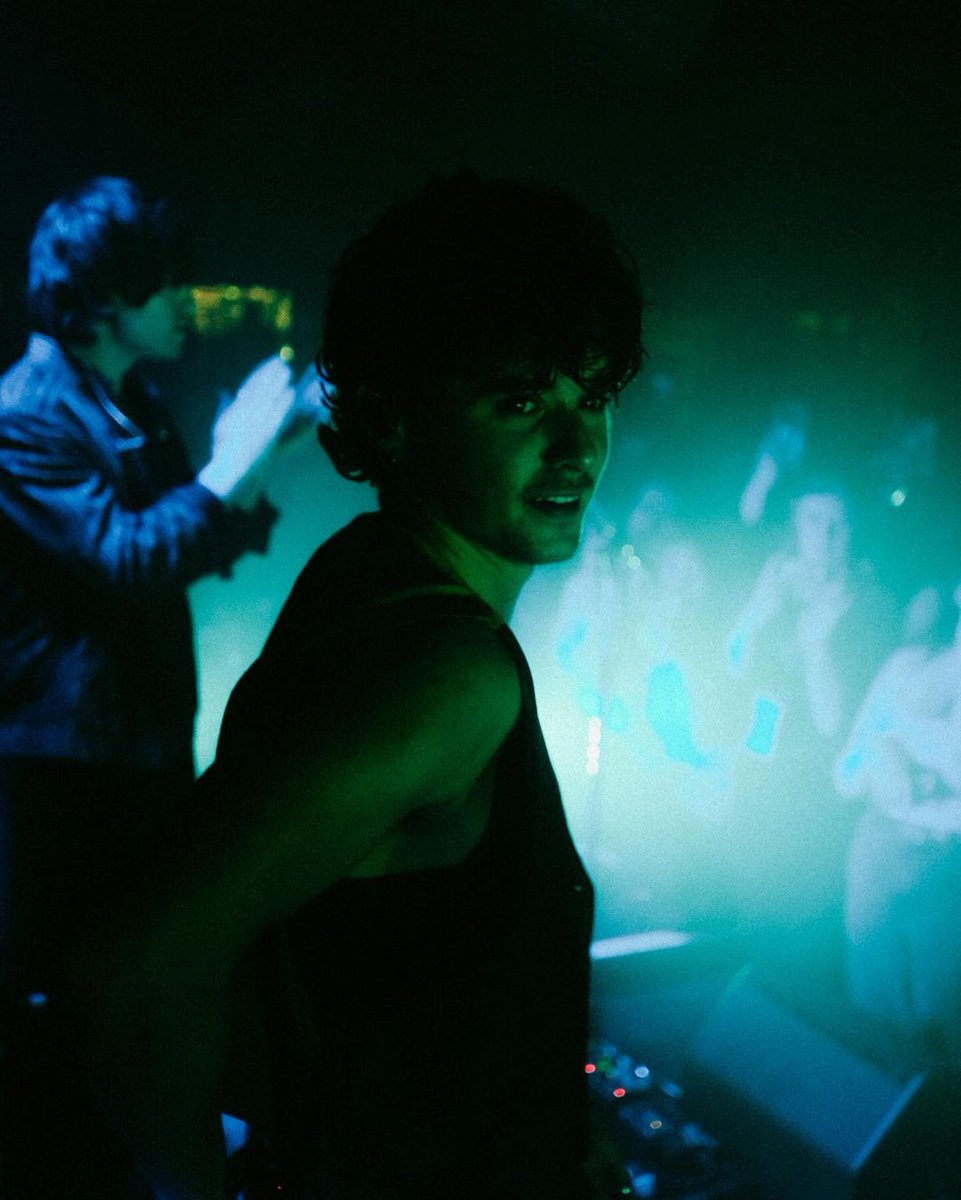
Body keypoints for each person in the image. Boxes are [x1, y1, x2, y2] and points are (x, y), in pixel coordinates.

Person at [66, 171, 644, 1200]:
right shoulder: (444, 671)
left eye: (590, 394)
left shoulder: (363, 579)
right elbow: (134, 970)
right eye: (518, 399)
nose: (576, 442)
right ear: (392, 418)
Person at [0, 176, 299, 1198]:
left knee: (135, 994)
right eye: (166, 282)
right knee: (72, 1011)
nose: (187, 300)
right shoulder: (28, 412)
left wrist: (252, 463)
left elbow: (187, 539)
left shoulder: (126, 399)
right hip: (64, 768)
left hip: (129, 752)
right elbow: (125, 558)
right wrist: (226, 471)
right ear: (106, 295)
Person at [834, 580, 961, 1063]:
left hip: (950, 868)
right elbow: (844, 774)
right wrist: (875, 759)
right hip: (880, 850)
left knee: (944, 1029)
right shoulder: (906, 667)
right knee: (872, 1021)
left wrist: (903, 751)